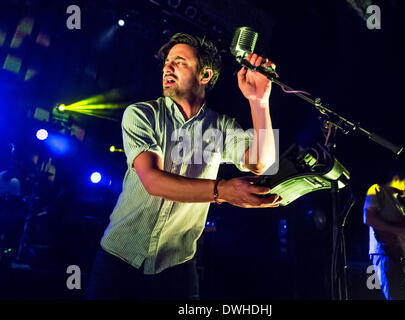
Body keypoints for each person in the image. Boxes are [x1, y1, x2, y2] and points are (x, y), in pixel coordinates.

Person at [85, 33, 280, 300]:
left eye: (179, 62)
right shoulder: (142, 114)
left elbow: (262, 162)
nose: (168, 67)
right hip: (119, 258)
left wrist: (259, 102)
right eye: (167, 62)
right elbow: (153, 181)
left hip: (176, 266)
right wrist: (222, 191)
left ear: (205, 75)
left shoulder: (220, 126)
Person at [363, 164, 405, 300]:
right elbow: (368, 218)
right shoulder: (376, 190)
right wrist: (401, 232)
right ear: (396, 178)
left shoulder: (401, 206)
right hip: (388, 256)